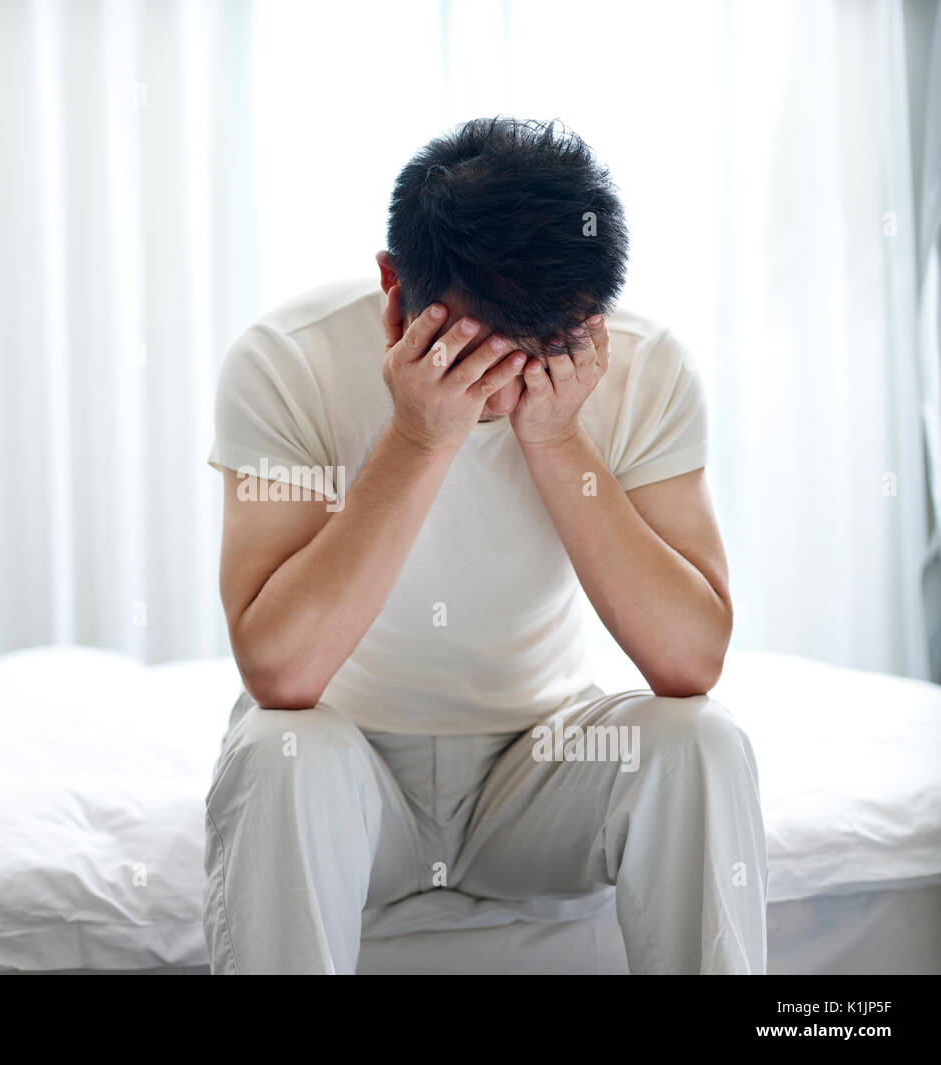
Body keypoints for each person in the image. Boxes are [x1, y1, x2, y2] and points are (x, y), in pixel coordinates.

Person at [203, 117, 766, 975]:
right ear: (396, 290)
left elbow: (690, 660)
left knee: (704, 742)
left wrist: (558, 440)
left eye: (546, 351)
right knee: (279, 750)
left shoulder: (643, 367)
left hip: (542, 769)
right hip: (351, 771)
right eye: (475, 352)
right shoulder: (287, 360)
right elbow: (279, 670)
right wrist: (420, 438)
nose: (509, 386)